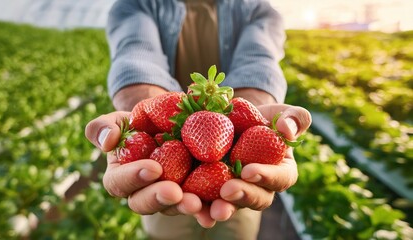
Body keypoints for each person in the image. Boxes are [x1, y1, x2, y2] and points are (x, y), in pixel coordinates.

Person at [85, 0, 312, 239]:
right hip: (162, 173)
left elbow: (259, 63)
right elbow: (136, 57)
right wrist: (144, 114)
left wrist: (250, 118)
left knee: (234, 227)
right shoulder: (137, 4)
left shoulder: (258, 10)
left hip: (236, 174)